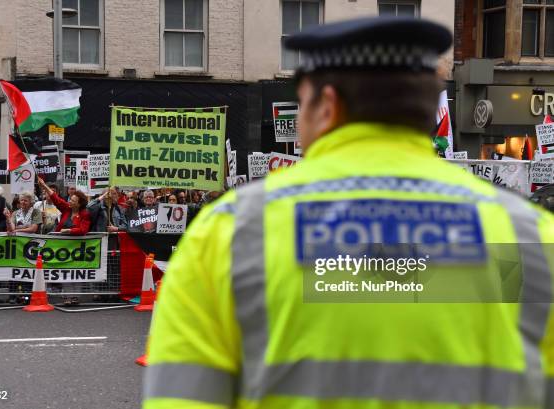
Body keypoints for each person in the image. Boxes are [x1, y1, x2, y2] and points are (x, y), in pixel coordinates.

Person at [143, 17, 554, 409]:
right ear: (427, 108)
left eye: (299, 104)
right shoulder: (531, 236)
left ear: (326, 104)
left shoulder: (232, 233)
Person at [38, 177, 90, 305]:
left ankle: (75, 296)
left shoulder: (85, 214)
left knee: (76, 271)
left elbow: (83, 229)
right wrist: (44, 185)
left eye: (73, 200)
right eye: (71, 199)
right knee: (65, 271)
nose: (70, 201)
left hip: (77, 248)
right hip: (63, 246)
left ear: (79, 204)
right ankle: (67, 296)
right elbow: (55, 198)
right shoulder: (66, 208)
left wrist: (69, 231)